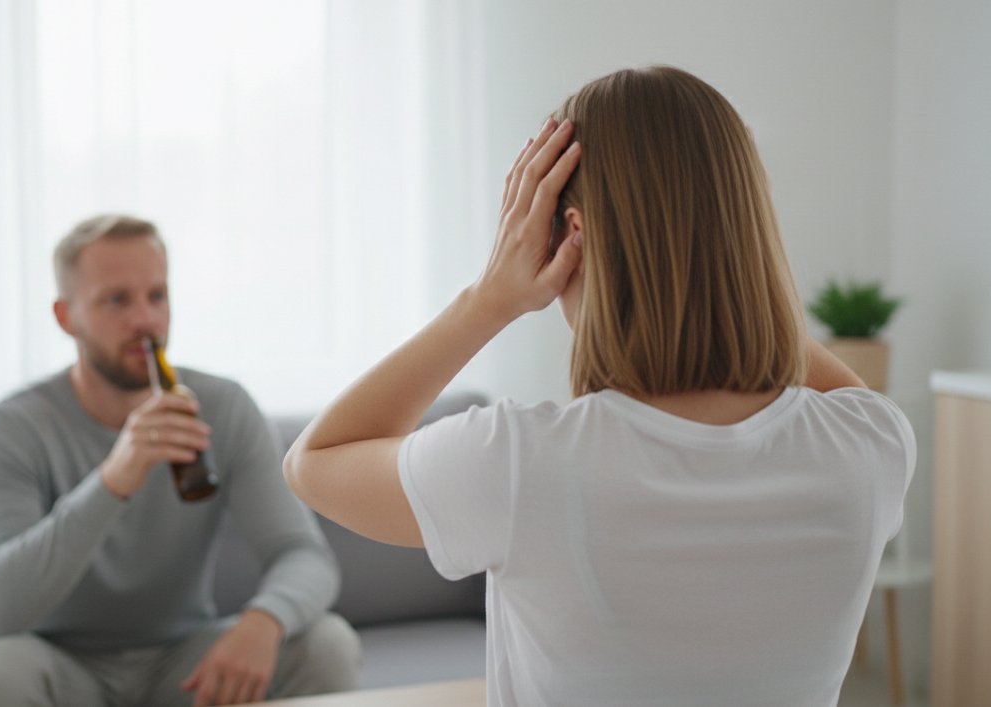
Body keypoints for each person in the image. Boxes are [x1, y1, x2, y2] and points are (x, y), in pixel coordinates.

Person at [283, 66, 914, 706]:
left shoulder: (516, 462)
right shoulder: (870, 448)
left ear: (568, 237)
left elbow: (315, 461)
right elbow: (841, 393)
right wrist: (722, 238)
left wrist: (489, 298)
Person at [0, 215, 359, 707]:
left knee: (326, 642)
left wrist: (263, 623)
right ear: (66, 317)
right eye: (117, 300)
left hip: (186, 667)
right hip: (60, 667)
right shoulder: (10, 426)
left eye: (157, 296)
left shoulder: (223, 406)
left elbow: (304, 555)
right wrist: (113, 480)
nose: (145, 319)